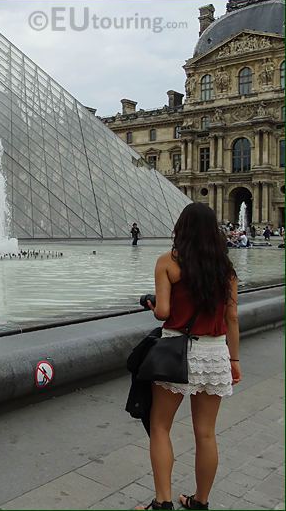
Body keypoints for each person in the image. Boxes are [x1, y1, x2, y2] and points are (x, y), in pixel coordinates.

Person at [137, 203, 240, 510]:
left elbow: (165, 313)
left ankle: (163, 502)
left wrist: (152, 305)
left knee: (160, 427)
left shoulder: (168, 262)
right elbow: (232, 318)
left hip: (176, 352)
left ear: (181, 228)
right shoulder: (226, 270)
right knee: (206, 434)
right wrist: (234, 360)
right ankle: (200, 502)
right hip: (215, 353)